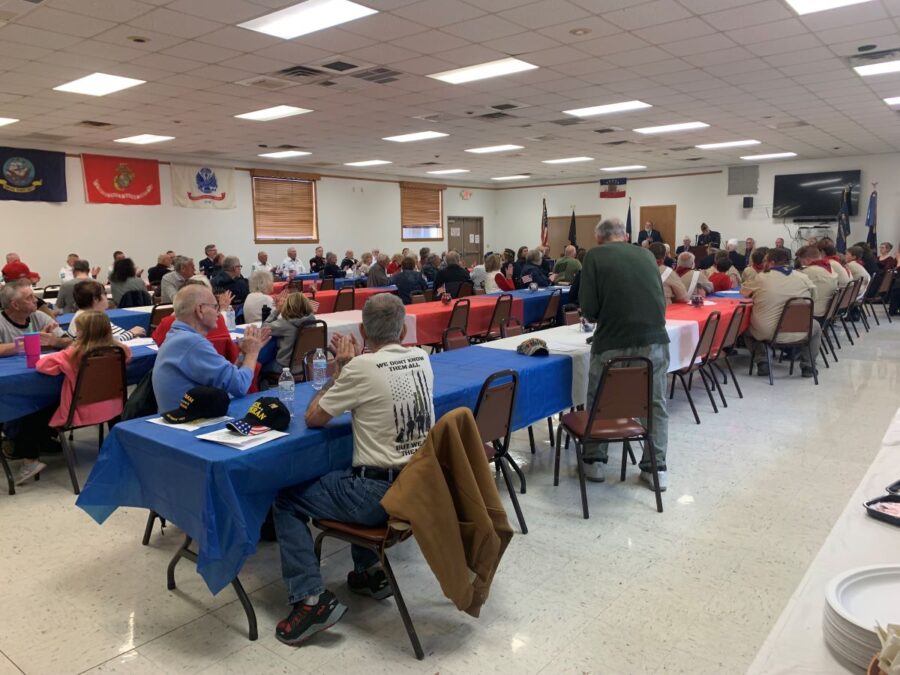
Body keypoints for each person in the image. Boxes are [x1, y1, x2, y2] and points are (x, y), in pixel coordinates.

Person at [273, 293, 434, 646]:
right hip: (418, 488)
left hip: (377, 497)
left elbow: (313, 417)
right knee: (353, 468)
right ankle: (369, 571)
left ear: (362, 331)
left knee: (286, 499)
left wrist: (339, 372)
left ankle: (310, 600)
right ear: (403, 330)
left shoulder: (362, 368)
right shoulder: (422, 357)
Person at [579, 219, 670, 490]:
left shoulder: (594, 256)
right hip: (655, 341)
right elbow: (660, 299)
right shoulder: (647, 255)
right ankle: (655, 468)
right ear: (626, 236)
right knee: (655, 403)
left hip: (612, 341)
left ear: (599, 239)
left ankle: (595, 461)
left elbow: (589, 309)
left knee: (600, 400)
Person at [152, 285, 270, 413]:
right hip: (191, 421)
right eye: (215, 307)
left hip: (183, 415)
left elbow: (226, 380)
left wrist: (244, 354)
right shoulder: (193, 343)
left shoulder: (178, 336)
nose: (218, 313)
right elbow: (240, 386)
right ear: (200, 310)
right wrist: (252, 353)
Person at [0, 279, 72, 483]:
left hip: (39, 383)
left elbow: (69, 341)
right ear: (15, 305)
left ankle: (30, 445)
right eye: (29, 297)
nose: (36, 300)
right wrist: (24, 344)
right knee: (27, 404)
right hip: (11, 386)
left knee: (52, 398)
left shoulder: (38, 316)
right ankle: (24, 441)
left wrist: (54, 341)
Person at [37, 310, 131, 429]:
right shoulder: (121, 351)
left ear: (82, 333)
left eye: (78, 329)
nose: (76, 332)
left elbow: (42, 366)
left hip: (80, 411)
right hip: (114, 407)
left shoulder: (72, 355)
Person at [740, 248, 821, 378]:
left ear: (771, 263)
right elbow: (813, 299)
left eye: (765, 261)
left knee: (747, 328)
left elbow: (744, 292)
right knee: (816, 327)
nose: (763, 263)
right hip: (800, 331)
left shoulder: (761, 278)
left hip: (768, 332)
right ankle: (808, 366)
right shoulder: (803, 277)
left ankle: (762, 360)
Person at [68, 280, 146, 341]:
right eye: (104, 294)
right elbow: (107, 344)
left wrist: (130, 334)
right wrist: (131, 333)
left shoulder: (85, 315)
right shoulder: (91, 319)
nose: (107, 297)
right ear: (95, 299)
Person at [262, 292, 317, 376]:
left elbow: (263, 329)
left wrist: (277, 310)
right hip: (306, 364)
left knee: (260, 367)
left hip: (285, 367)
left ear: (287, 306)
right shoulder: (312, 321)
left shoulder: (285, 323)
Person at [795, 245, 838, 318]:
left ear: (807, 260)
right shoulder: (830, 268)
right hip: (827, 310)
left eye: (801, 262)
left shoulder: (807, 272)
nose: (801, 264)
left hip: (814, 312)